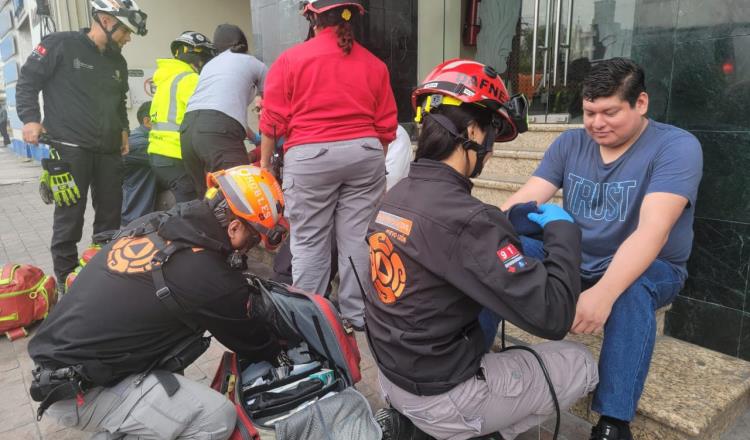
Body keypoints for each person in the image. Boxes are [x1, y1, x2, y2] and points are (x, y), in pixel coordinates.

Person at [366, 58, 598, 440]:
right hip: (443, 396)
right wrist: (563, 233)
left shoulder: (397, 194)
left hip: (394, 379)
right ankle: (467, 432)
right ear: (472, 130)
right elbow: (554, 316)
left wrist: (505, 224)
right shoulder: (469, 221)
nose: (490, 152)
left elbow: (448, 244)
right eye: (491, 134)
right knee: (581, 364)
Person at [501, 58, 703, 440]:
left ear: (640, 103)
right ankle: (461, 375)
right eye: (589, 112)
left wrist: (604, 294)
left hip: (653, 266)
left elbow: (652, 233)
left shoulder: (676, 147)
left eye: (610, 112)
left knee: (631, 287)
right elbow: (527, 197)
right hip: (576, 257)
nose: (596, 123)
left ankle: (613, 422)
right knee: (499, 254)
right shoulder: (571, 142)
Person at [28, 165, 286, 439]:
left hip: (56, 365)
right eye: (253, 240)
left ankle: (136, 419)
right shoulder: (206, 273)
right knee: (216, 417)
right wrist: (281, 352)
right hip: (79, 392)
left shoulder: (157, 222)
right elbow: (253, 341)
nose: (250, 249)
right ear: (234, 227)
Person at [259, 0, 398, 329]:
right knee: (356, 239)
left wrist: (266, 167)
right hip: (365, 154)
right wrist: (370, 161)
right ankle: (358, 317)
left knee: (309, 240)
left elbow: (272, 121)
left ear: (311, 17)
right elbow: (387, 128)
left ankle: (311, 319)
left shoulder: (291, 59)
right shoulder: (375, 64)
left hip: (310, 157)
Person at [16, 0, 147, 287]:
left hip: (109, 152)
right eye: (126, 30)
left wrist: (123, 129)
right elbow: (27, 81)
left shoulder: (117, 61)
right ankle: (66, 282)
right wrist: (29, 119)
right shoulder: (60, 44)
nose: (128, 38)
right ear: (106, 21)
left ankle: (104, 277)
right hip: (69, 149)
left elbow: (119, 100)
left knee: (110, 218)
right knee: (69, 219)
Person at [181, 24, 268, 196]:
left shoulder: (210, 66)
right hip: (218, 130)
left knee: (206, 198)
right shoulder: (253, 63)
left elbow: (218, 111)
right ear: (244, 44)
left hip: (188, 131)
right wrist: (266, 141)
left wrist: (254, 138)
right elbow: (272, 104)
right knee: (241, 192)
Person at [148, 31, 215, 203]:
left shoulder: (166, 79)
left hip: (160, 154)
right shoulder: (190, 79)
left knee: (187, 202)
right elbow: (206, 116)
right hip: (175, 153)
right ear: (196, 57)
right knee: (192, 204)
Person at [121, 101, 156, 225]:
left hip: (138, 216)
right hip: (135, 218)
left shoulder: (143, 138)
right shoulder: (139, 144)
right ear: (147, 121)